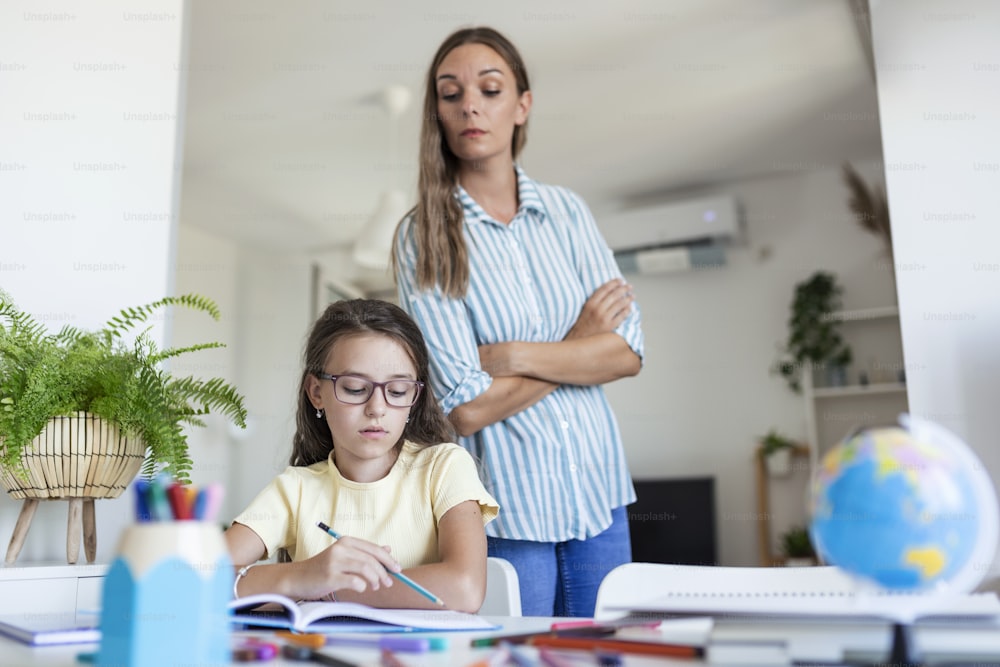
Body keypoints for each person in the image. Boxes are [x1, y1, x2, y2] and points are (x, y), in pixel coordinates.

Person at [393, 26, 645, 617]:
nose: (470, 105)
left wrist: (510, 355)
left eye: (490, 88)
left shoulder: (568, 212)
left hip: (600, 498)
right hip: (506, 511)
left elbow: (626, 353)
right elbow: (466, 408)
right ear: (438, 112)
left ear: (521, 105)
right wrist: (579, 345)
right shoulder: (423, 236)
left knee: (606, 658)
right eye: (450, 93)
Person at [225, 299, 499, 614]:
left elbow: (464, 589)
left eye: (397, 391)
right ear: (316, 392)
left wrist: (328, 590)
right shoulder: (295, 490)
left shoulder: (444, 467)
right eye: (355, 389)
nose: (377, 408)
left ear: (415, 397)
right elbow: (196, 579)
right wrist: (304, 575)